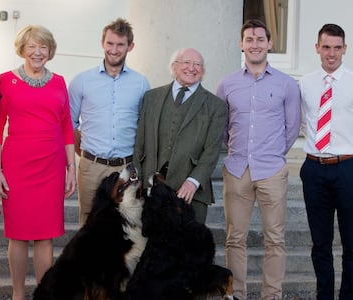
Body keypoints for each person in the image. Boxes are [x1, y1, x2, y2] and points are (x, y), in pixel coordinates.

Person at [216, 19, 301, 300]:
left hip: (271, 170)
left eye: (260, 39)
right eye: (249, 40)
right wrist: (237, 151)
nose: (255, 45)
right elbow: (222, 128)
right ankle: (237, 294)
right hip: (237, 169)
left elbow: (291, 129)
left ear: (269, 43)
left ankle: (271, 296)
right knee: (234, 239)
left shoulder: (287, 84)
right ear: (241, 44)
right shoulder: (226, 84)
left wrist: (273, 154)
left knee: (274, 239)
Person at [0, 25, 76, 300]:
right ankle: (18, 295)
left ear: (50, 51)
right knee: (17, 234)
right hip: (16, 166)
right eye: (32, 46)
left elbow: (65, 127)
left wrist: (70, 167)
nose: (37, 52)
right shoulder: (5, 80)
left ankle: (43, 294)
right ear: (22, 49)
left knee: (45, 235)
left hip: (51, 167)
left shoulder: (60, 81)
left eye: (43, 47)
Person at [69, 18, 149, 225]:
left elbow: (144, 126)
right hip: (91, 167)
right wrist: (85, 152)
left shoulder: (141, 83)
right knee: (89, 224)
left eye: (120, 44)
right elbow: (70, 124)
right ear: (102, 43)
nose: (114, 50)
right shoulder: (82, 81)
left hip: (126, 167)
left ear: (130, 47)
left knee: (126, 226)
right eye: (110, 43)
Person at [133, 47, 226, 224]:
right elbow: (140, 143)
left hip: (190, 192)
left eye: (198, 64)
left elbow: (212, 151)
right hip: (152, 189)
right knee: (152, 246)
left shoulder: (216, 106)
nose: (192, 68)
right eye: (186, 62)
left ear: (203, 70)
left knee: (188, 247)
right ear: (174, 67)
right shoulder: (151, 97)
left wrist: (193, 181)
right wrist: (138, 180)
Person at [299, 23, 353, 300]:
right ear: (317, 48)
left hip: (347, 169)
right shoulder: (305, 83)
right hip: (314, 169)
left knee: (351, 243)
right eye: (326, 47)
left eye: (337, 47)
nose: (331, 53)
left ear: (345, 49)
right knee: (320, 243)